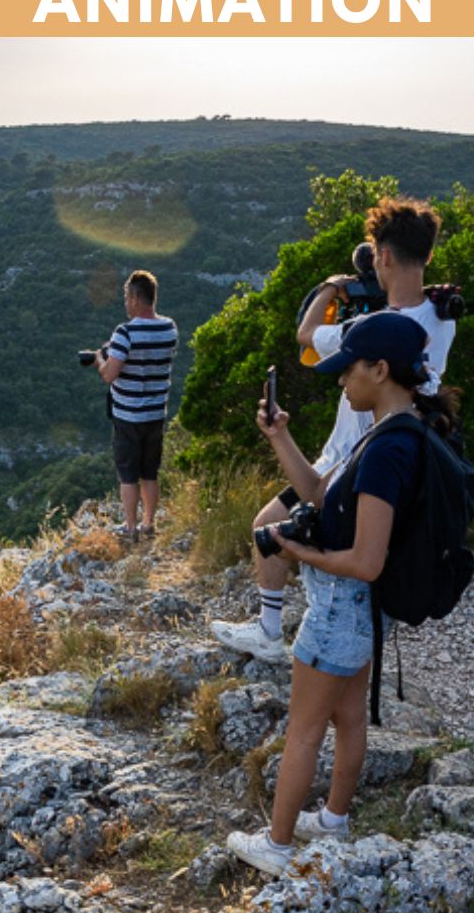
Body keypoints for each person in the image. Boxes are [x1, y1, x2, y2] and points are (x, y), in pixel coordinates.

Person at [226, 310, 458, 875]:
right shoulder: (396, 431)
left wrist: (295, 551)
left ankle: (278, 847)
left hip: (341, 608)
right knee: (349, 715)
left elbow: (366, 560)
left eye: (348, 369)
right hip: (364, 613)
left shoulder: (385, 452)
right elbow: (318, 492)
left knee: (302, 730)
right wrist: (279, 435)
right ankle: (333, 820)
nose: (340, 381)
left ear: (380, 370)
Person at [211, 197, 455, 662]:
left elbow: (305, 335)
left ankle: (274, 631)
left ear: (383, 256)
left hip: (350, 459)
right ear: (426, 255)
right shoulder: (443, 319)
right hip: (393, 456)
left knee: (270, 529)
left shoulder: (368, 329)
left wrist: (333, 287)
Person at [95, 270, 178, 540]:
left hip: (129, 415)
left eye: (125, 297)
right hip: (156, 413)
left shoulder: (124, 332)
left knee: (128, 474)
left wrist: (100, 358)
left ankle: (130, 528)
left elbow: (109, 375)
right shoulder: (169, 327)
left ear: (134, 298)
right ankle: (149, 523)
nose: (124, 303)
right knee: (150, 472)